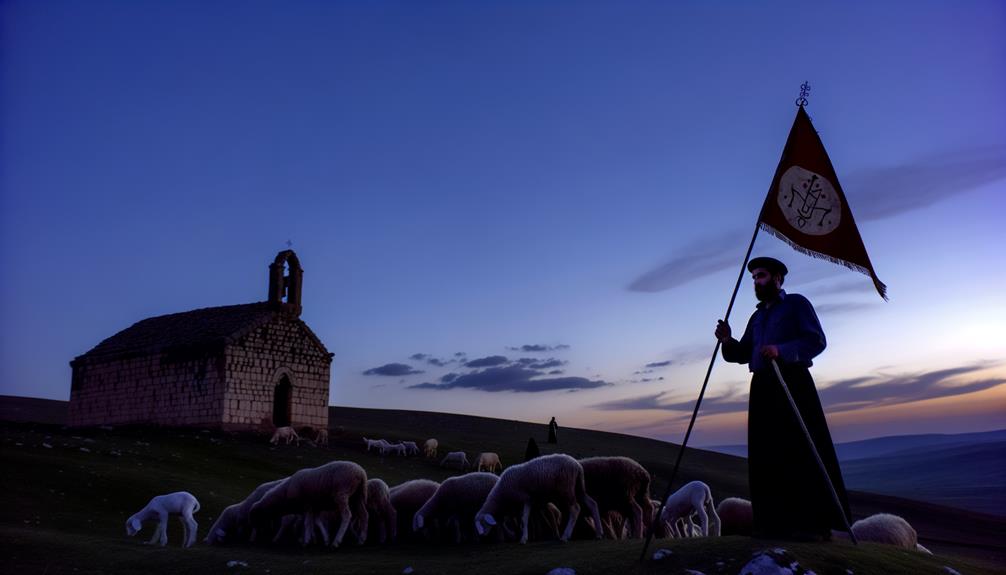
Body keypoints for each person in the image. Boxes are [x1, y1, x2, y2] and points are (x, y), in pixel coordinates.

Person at [714, 256, 850, 541]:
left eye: (761, 276)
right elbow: (743, 354)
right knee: (767, 455)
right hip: (763, 387)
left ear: (778, 278)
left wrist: (782, 350)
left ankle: (812, 526)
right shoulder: (757, 316)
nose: (756, 281)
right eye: (753, 278)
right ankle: (772, 524)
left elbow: (816, 341)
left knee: (800, 450)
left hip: (792, 383)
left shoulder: (797, 304)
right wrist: (727, 340)